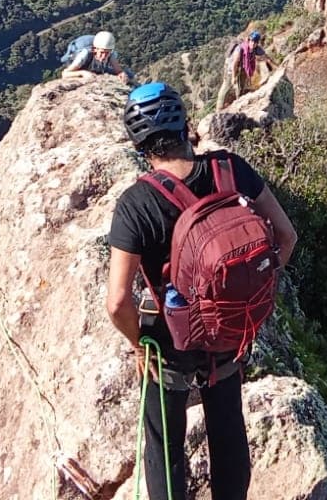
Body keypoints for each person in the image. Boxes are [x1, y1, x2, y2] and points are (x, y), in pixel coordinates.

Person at [104, 82, 297, 500]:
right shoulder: (231, 170)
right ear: (186, 125)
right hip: (229, 329)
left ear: (138, 143)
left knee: (164, 447)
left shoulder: (136, 204)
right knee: (228, 430)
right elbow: (286, 236)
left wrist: (139, 345)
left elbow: (117, 301)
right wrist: (252, 293)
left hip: (168, 338)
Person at [215, 28, 275, 107]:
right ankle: (219, 107)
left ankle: (238, 101)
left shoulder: (256, 48)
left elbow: (265, 57)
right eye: (252, 41)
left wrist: (274, 66)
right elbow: (234, 64)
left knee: (241, 86)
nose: (253, 44)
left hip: (243, 67)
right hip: (230, 68)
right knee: (226, 86)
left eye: (255, 42)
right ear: (249, 40)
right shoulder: (241, 49)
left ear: (257, 43)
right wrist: (233, 77)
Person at [62, 30, 127, 81]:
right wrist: (83, 73)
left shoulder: (111, 54)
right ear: (94, 49)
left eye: (107, 53)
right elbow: (65, 74)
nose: (104, 56)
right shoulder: (85, 54)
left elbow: (119, 71)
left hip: (95, 67)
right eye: (101, 52)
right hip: (81, 68)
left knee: (128, 73)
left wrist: (122, 74)